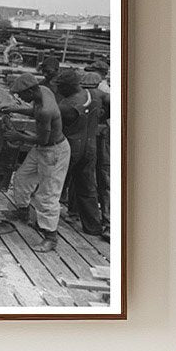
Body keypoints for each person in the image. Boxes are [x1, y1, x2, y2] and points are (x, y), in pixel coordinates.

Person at [2, 72, 71, 252]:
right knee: (22, 177)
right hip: (43, 148)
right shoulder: (43, 90)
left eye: (22, 95)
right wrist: (15, 109)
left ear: (31, 91)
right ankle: (23, 212)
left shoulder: (45, 110)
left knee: (47, 195)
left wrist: (18, 136)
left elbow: (42, 138)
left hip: (54, 151)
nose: (20, 98)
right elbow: (35, 111)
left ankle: (50, 237)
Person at [54, 68, 104, 237]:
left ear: (68, 86)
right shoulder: (95, 96)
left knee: (52, 182)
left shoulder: (66, 105)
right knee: (87, 187)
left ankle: (42, 221)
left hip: (71, 148)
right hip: (90, 147)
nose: (58, 90)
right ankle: (93, 227)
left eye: (60, 87)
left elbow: (52, 125)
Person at [82, 69, 112, 230]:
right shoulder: (96, 94)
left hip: (104, 138)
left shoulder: (103, 95)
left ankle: (108, 221)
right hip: (94, 137)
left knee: (104, 177)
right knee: (91, 176)